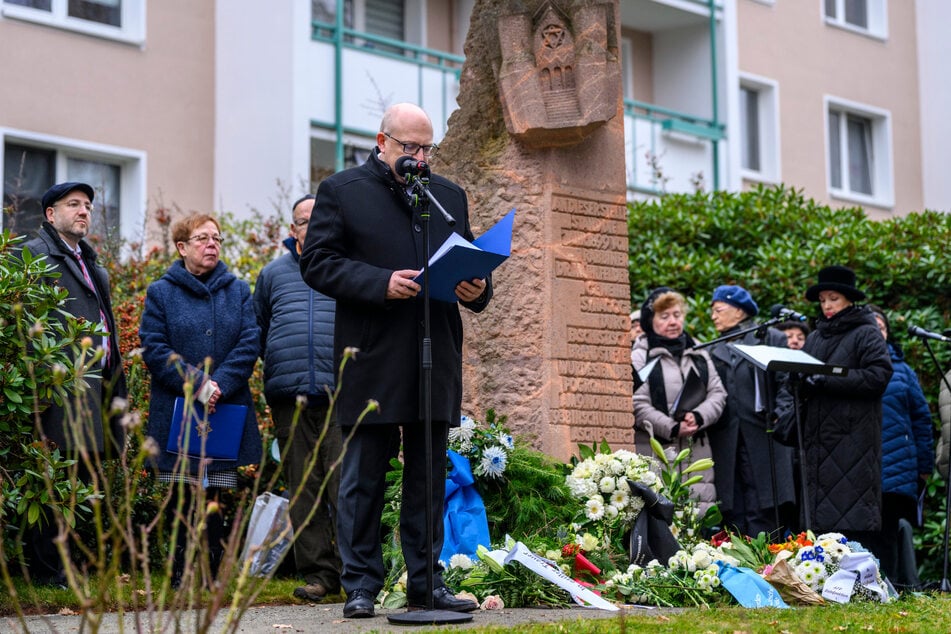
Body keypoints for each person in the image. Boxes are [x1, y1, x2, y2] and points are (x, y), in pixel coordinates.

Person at [299, 103, 491, 618]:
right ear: (382, 142)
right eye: (410, 148)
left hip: (434, 354)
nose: (421, 158)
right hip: (373, 353)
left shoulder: (446, 195)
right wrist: (379, 283)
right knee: (364, 474)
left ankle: (426, 583)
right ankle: (360, 584)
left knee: (428, 476)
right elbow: (316, 263)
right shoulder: (342, 191)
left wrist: (477, 288)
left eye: (427, 148)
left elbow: (470, 265)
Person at [139, 213, 262, 588]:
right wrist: (196, 384)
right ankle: (180, 575)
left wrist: (218, 384)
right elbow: (154, 347)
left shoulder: (239, 290)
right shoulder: (161, 292)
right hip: (178, 408)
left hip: (222, 409)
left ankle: (210, 575)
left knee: (214, 493)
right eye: (202, 238)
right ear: (182, 247)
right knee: (180, 495)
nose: (212, 244)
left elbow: (249, 342)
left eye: (217, 239)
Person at [21, 181, 127, 587]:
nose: (84, 211)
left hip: (97, 390)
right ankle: (47, 573)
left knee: (83, 484)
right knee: (53, 481)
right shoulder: (33, 255)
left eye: (87, 205)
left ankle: (68, 567)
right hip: (59, 393)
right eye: (73, 205)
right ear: (51, 214)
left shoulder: (92, 264)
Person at [253, 194, 342, 603]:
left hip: (341, 392)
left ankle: (357, 573)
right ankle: (319, 576)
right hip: (289, 395)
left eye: (316, 219)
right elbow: (259, 328)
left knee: (345, 486)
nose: (309, 225)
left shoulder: (345, 268)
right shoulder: (272, 275)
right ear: (293, 230)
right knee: (303, 489)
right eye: (302, 221)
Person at [774, 266, 892, 544]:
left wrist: (827, 381)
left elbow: (879, 375)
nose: (826, 305)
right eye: (823, 299)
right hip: (817, 442)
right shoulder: (815, 337)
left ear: (849, 299)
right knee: (818, 527)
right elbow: (807, 377)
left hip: (852, 443)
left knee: (849, 525)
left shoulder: (866, 333)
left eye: (833, 299)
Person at [707, 285, 797, 537]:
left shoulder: (770, 338)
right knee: (733, 507)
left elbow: (786, 383)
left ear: (738, 312)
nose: (713, 316)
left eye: (719, 310)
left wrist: (780, 412)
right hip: (727, 440)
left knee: (765, 506)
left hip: (764, 436)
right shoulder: (712, 349)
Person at [631, 287, 726, 517]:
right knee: (660, 519)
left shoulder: (698, 353)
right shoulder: (639, 355)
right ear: (649, 321)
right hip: (655, 451)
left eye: (677, 315)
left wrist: (699, 416)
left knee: (697, 522)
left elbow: (718, 393)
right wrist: (673, 427)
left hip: (697, 452)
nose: (673, 321)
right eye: (664, 317)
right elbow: (636, 402)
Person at [868, 305, 933, 587]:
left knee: (888, 531)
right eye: (870, 327)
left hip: (897, 466)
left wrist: (924, 467)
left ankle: (891, 586)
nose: (876, 332)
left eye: (880, 327)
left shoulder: (903, 371)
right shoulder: (853, 366)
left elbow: (921, 418)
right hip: (860, 466)